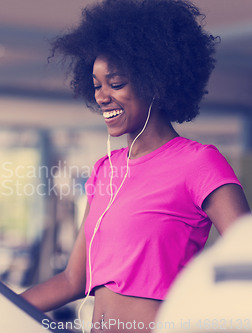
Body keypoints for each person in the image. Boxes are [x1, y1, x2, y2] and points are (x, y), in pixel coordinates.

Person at [21, 0, 250, 331]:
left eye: (115, 83)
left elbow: (244, 261)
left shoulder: (198, 163)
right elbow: (73, 279)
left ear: (155, 82)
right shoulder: (104, 170)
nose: (101, 96)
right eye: (97, 85)